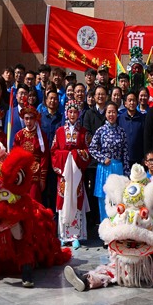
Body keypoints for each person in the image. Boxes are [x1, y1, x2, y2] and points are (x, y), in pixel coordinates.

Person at [52, 100, 91, 248]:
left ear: (79, 114)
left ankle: (76, 236)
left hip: (77, 174)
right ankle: (63, 235)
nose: (72, 114)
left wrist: (74, 154)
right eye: (70, 112)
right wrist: (66, 156)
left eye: (75, 112)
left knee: (76, 199)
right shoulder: (59, 131)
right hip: (64, 174)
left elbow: (88, 151)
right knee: (63, 201)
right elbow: (54, 151)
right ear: (66, 114)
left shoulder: (83, 132)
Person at [90, 102, 129, 224]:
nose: (111, 114)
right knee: (104, 199)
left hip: (118, 168)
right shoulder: (100, 131)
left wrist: (127, 173)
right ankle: (105, 226)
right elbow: (92, 148)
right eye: (109, 112)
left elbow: (125, 153)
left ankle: (117, 227)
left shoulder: (121, 131)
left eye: (114, 112)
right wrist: (102, 158)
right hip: (104, 168)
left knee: (118, 198)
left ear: (117, 114)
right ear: (105, 114)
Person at [13, 106, 49, 203]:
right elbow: (15, 156)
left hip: (35, 175)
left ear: (35, 119)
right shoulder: (19, 135)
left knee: (34, 202)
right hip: (22, 175)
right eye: (26, 118)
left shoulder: (41, 136)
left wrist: (42, 178)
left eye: (31, 118)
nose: (29, 121)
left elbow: (44, 157)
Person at [118, 91, 146, 169]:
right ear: (125, 103)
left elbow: (145, 138)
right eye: (129, 100)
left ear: (137, 102)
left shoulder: (143, 118)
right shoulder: (120, 119)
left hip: (138, 158)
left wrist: (145, 156)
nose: (132, 103)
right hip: (124, 158)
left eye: (134, 100)